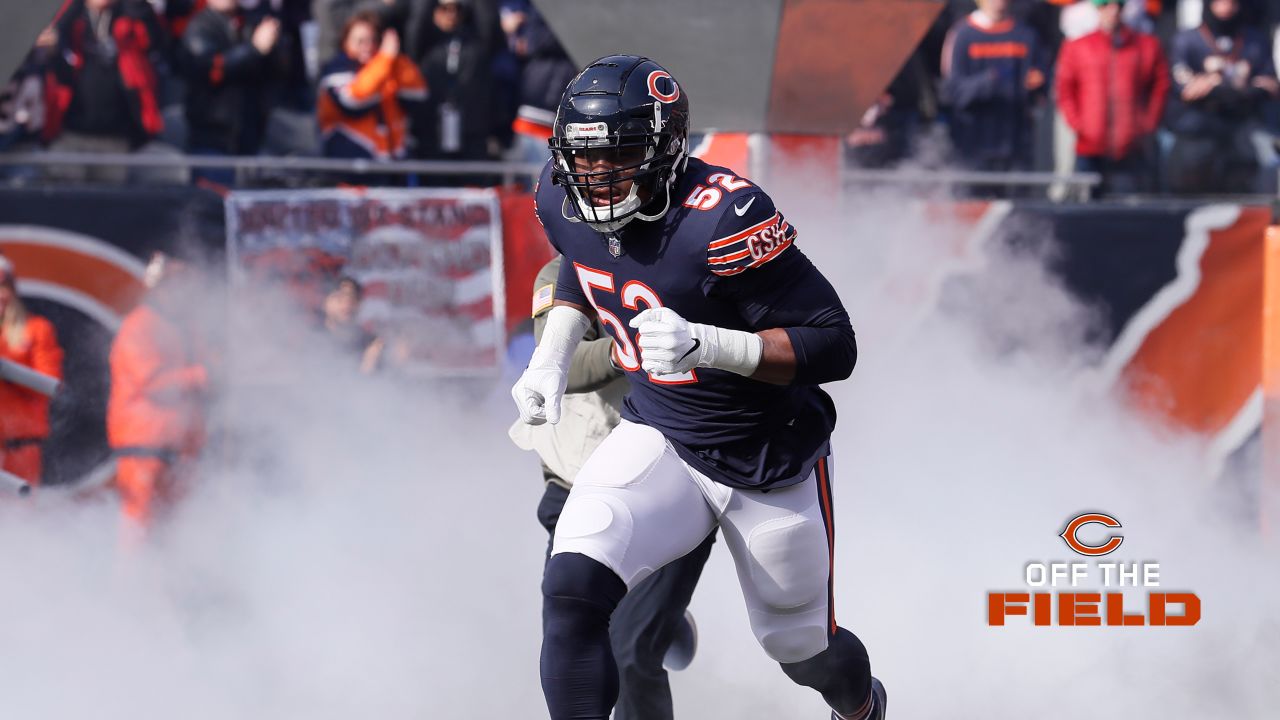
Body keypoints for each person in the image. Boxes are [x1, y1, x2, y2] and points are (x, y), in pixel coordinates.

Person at [511, 56, 883, 720]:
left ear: (664, 149)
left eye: (617, 155)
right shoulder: (561, 197)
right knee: (570, 591)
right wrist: (553, 358)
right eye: (582, 158)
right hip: (662, 437)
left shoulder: (720, 217)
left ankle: (861, 706)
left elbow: (834, 342)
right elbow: (584, 260)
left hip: (765, 462)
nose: (594, 176)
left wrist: (713, 344)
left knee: (803, 652)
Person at [510, 256, 714, 720]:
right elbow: (567, 365)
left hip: (670, 487)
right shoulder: (560, 275)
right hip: (576, 491)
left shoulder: (690, 264)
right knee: (571, 650)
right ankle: (660, 621)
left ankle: (652, 621)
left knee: (630, 653)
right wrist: (630, 347)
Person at [108, 250, 212, 528]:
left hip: (177, 448)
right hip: (145, 449)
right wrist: (205, 375)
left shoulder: (183, 328)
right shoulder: (139, 326)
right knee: (141, 532)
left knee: (175, 534)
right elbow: (153, 384)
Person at [42, 0, 165, 184]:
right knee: (65, 196)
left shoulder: (131, 15)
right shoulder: (71, 15)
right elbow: (51, 46)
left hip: (115, 138)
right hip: (70, 135)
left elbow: (155, 41)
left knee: (108, 202)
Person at [1055, 0, 1169, 196]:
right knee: (1088, 206)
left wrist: (1147, 123)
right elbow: (1065, 89)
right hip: (1090, 144)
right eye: (1106, 5)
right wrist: (1079, 124)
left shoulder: (1146, 45)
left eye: (1118, 5)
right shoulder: (1078, 46)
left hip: (1131, 145)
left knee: (1130, 210)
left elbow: (1161, 85)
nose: (1112, 10)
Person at [1165, 0, 1280, 194]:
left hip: (1242, 125)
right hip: (1198, 129)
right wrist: (1230, 84)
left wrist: (1222, 85)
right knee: (1190, 173)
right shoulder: (1187, 40)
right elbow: (1186, 90)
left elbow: (1270, 86)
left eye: (1232, 2)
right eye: (1220, 2)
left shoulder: (1254, 40)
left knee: (1262, 163)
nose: (1226, 7)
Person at [179, 0, 283, 186]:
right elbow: (214, 69)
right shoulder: (200, 26)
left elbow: (277, 73)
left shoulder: (251, 22)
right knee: (212, 209)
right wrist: (255, 49)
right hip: (213, 139)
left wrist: (274, 42)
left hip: (250, 139)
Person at [940, 0, 1047, 178]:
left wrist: (1037, 84)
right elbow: (954, 92)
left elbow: (1042, 84)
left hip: (1016, 144)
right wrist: (989, 81)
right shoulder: (963, 35)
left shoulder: (1026, 35)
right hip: (974, 145)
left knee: (1019, 204)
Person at [317, 11, 427, 163]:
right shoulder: (337, 69)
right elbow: (353, 101)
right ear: (345, 41)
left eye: (373, 40)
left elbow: (417, 96)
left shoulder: (384, 66)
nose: (367, 46)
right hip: (351, 168)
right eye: (360, 41)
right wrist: (385, 59)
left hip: (391, 166)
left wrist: (396, 58)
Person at [0, 257, 64, 486]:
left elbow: (49, 385)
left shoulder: (36, 330)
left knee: (20, 517)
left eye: (2, 288)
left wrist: (8, 367)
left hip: (21, 447)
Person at [320, 276, 382, 374]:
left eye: (353, 298)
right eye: (340, 297)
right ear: (325, 302)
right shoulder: (309, 338)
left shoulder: (370, 344)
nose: (347, 304)